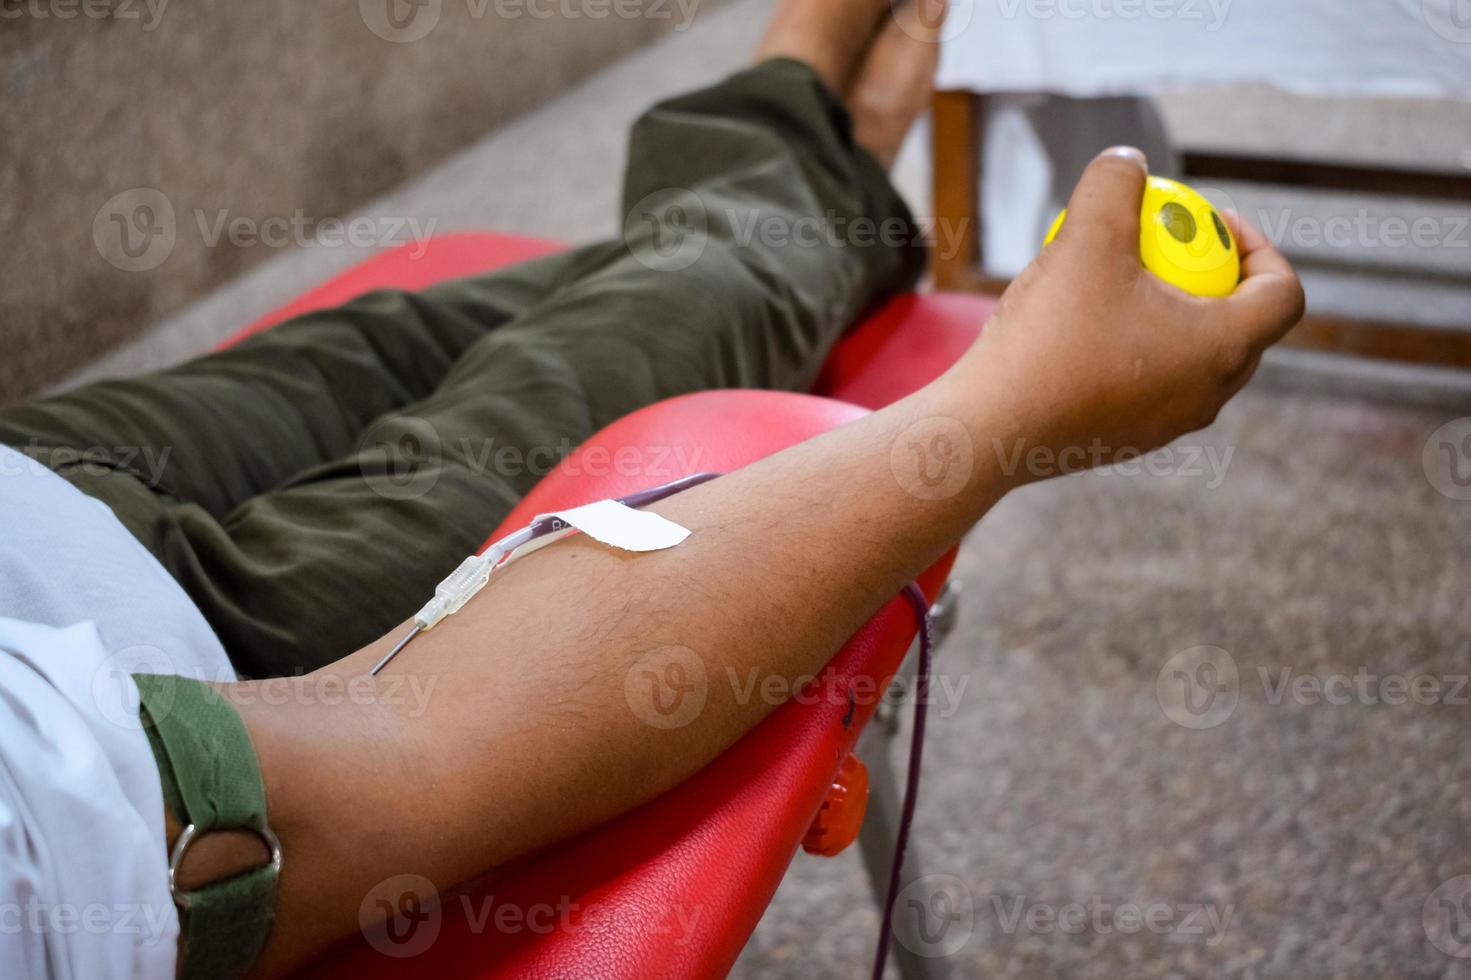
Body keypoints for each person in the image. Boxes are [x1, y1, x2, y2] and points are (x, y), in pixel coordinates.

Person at [0, 0, 1304, 976]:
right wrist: (1015, 409)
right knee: (690, 294)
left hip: (34, 489)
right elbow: (407, 757)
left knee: (542, 306)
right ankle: (795, 122)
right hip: (204, 640)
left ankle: (799, 153)